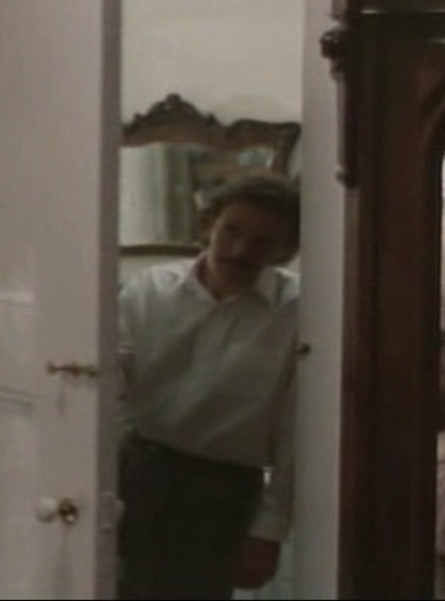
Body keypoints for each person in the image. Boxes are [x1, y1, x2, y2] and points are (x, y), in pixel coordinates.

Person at [115, 171, 301, 600]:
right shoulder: (150, 290)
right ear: (208, 225)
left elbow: (296, 432)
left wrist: (268, 531)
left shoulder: (297, 314)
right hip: (139, 472)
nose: (239, 251)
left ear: (284, 250)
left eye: (261, 242)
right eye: (232, 231)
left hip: (223, 494)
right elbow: (108, 379)